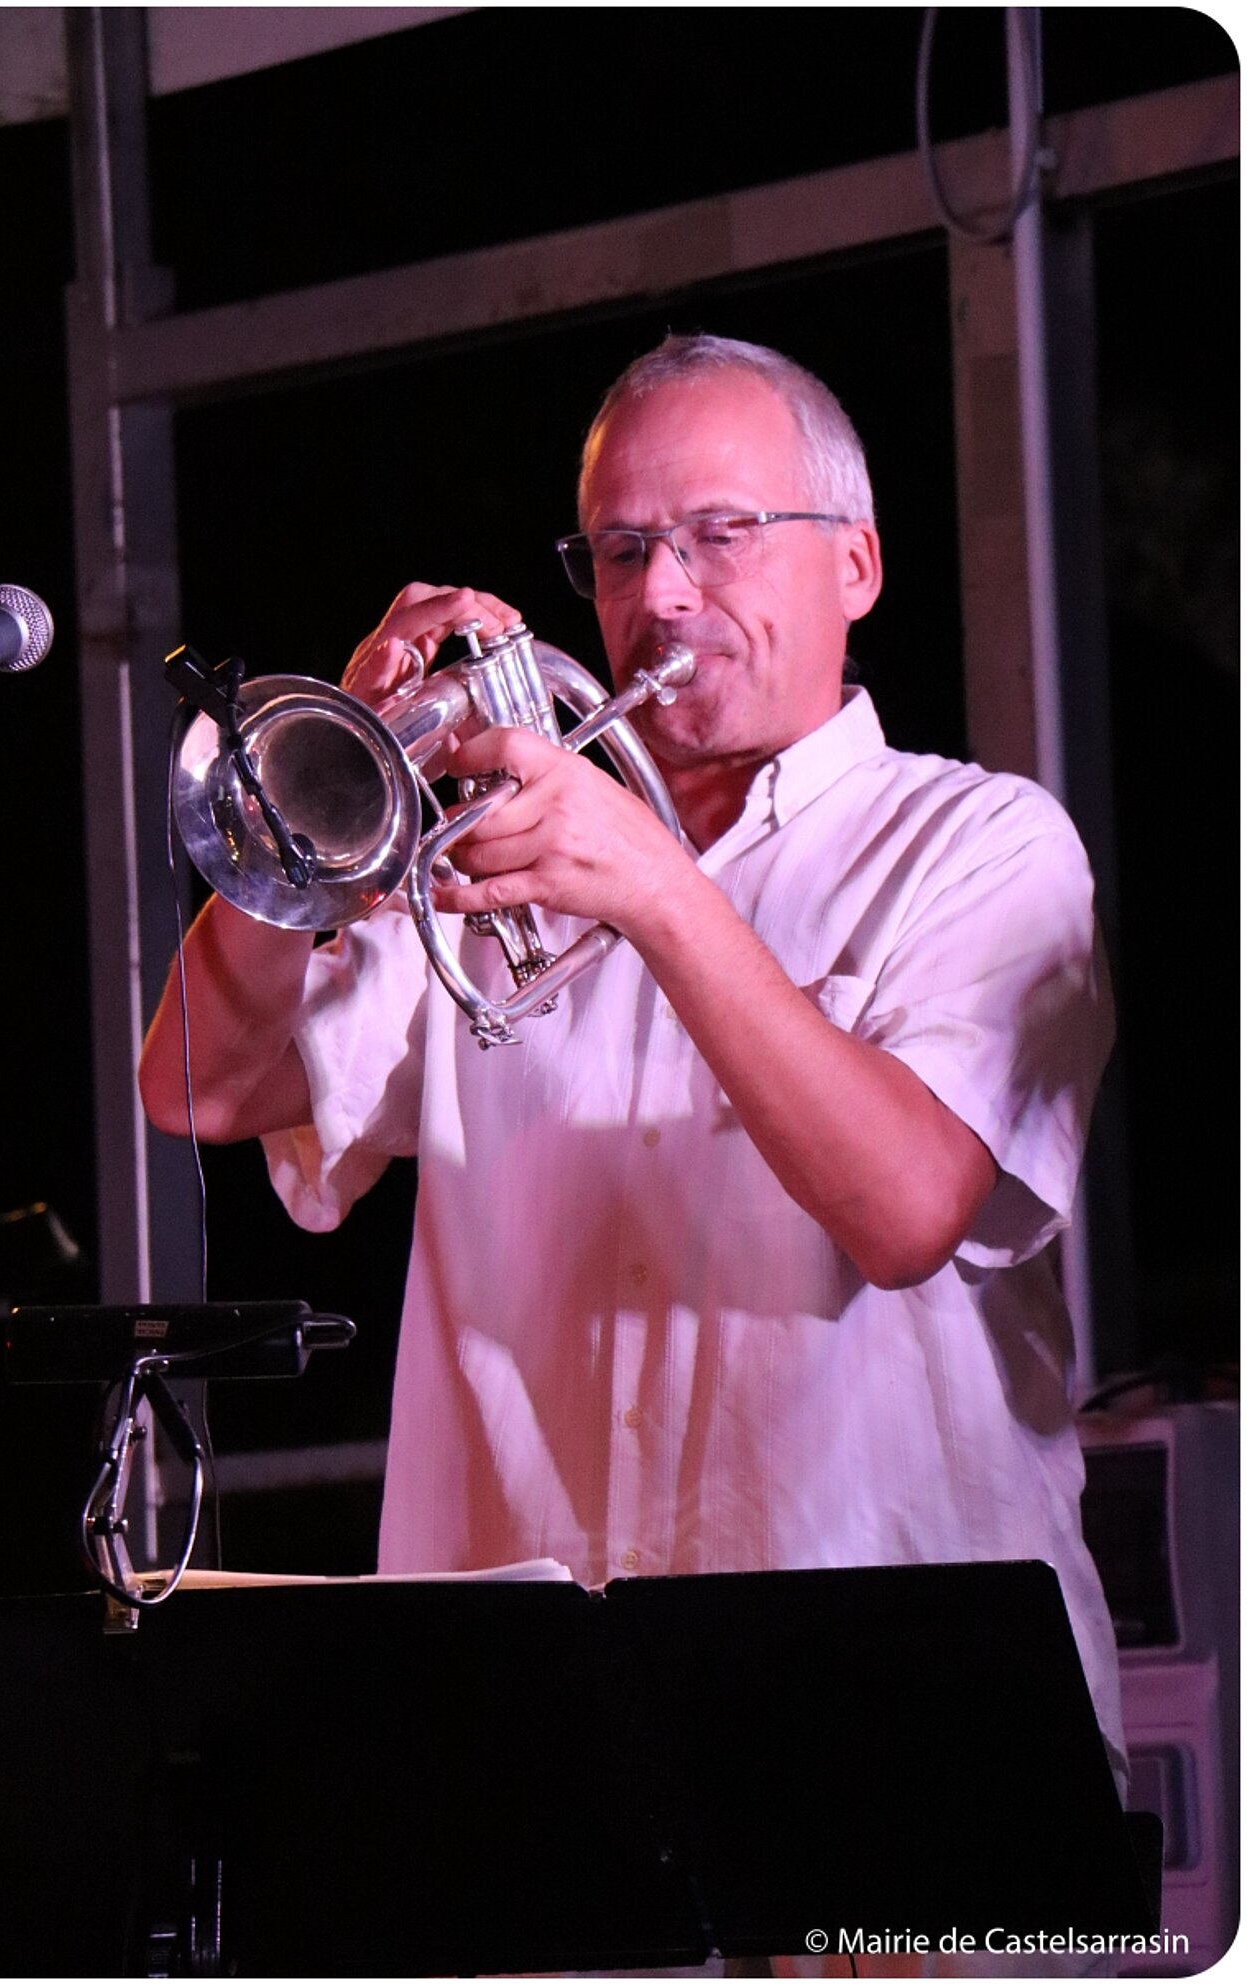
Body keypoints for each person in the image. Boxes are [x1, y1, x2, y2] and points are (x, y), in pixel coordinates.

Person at [140, 333, 1124, 1976]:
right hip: (544, 1766)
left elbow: (907, 1206)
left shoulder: (981, 843)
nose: (661, 594)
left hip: (896, 1759)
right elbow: (197, 1084)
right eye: (618, 550)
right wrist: (313, 827)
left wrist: (660, 890)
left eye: (722, 534)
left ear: (857, 562)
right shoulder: (496, 869)